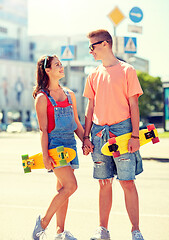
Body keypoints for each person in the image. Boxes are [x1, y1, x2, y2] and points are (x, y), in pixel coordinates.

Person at [83, 29, 144, 240]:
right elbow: (89, 109)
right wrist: (85, 137)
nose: (90, 51)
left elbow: (134, 106)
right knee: (104, 182)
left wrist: (135, 136)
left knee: (127, 181)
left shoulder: (128, 70)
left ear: (105, 44)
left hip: (122, 132)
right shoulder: (92, 75)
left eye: (92, 46)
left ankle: (135, 230)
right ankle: (103, 230)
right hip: (99, 133)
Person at [32, 55, 84, 240]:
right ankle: (43, 223)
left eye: (61, 64)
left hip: (70, 144)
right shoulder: (41, 98)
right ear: (47, 70)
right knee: (71, 186)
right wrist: (45, 156)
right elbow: (43, 130)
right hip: (55, 146)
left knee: (63, 189)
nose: (61, 67)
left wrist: (85, 140)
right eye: (57, 65)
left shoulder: (70, 94)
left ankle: (60, 232)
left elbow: (76, 123)